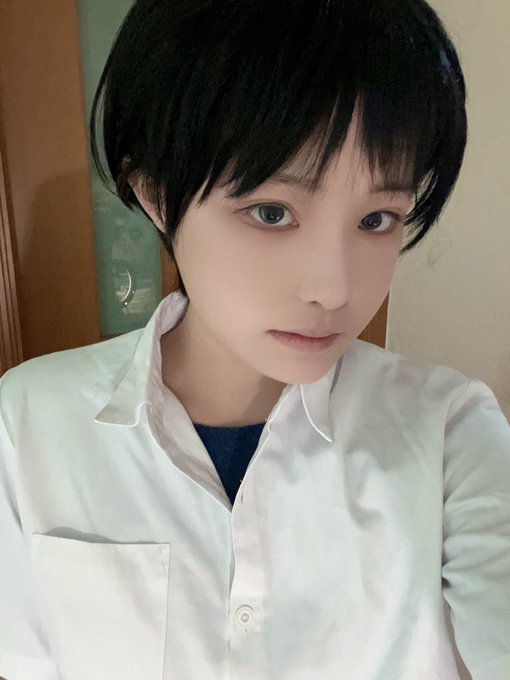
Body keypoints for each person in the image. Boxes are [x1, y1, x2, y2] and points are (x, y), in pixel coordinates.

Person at [1, 1, 509, 678]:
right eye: (272, 212)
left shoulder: (451, 433)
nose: (333, 289)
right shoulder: (27, 425)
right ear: (155, 194)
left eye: (377, 219)